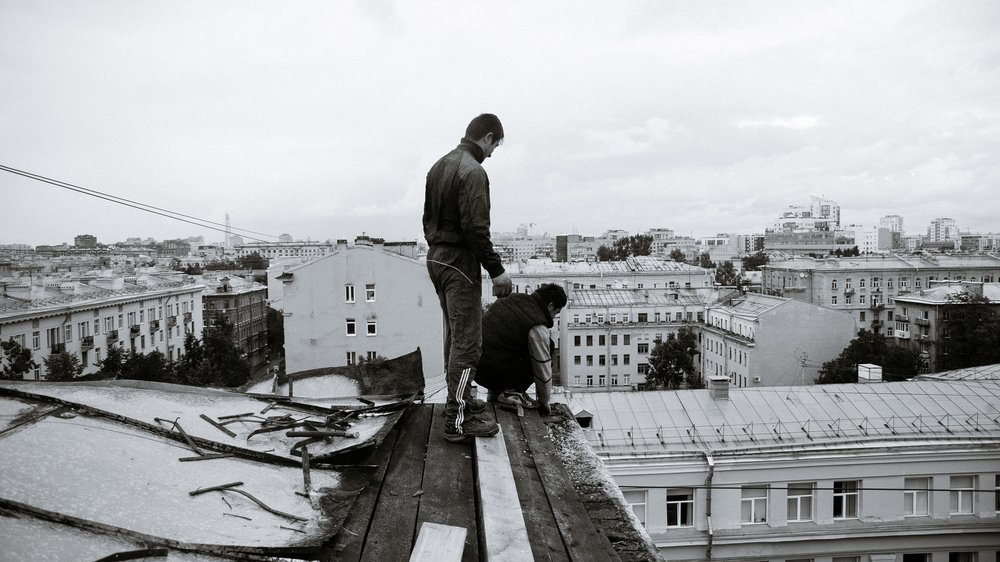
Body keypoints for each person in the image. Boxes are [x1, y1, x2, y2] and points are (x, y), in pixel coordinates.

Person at [423, 113, 513, 442]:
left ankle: (461, 403)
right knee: (468, 343)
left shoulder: (439, 165)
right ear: (487, 137)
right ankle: (457, 419)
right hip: (460, 261)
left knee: (455, 337)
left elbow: (426, 218)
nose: (492, 154)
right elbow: (476, 228)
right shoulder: (473, 171)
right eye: (494, 147)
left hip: (436, 257)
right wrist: (496, 270)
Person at [476, 283, 566, 417]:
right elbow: (542, 368)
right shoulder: (536, 326)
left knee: (507, 345)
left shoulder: (514, 299)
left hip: (476, 364)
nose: (554, 317)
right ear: (550, 306)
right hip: (491, 371)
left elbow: (497, 340)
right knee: (548, 346)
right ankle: (513, 392)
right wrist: (544, 402)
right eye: (556, 312)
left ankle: (497, 395)